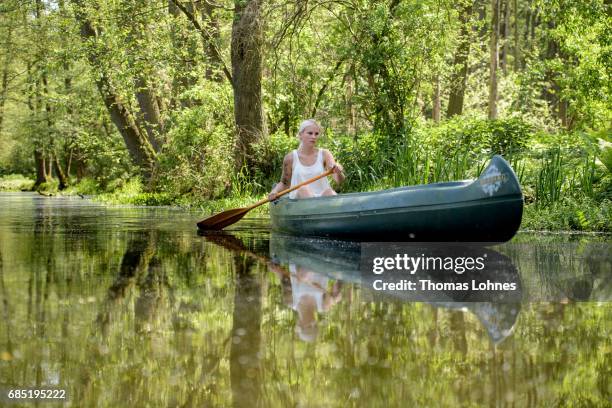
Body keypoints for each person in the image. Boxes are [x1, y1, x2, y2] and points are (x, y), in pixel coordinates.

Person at [268, 119, 345, 200]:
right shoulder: (290, 157)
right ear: (300, 134)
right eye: (310, 133)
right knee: (304, 190)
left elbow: (339, 180)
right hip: (300, 200)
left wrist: (338, 172)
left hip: (321, 198)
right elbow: (284, 184)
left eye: (316, 134)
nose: (313, 137)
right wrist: (274, 191)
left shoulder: (325, 154)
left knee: (329, 192)